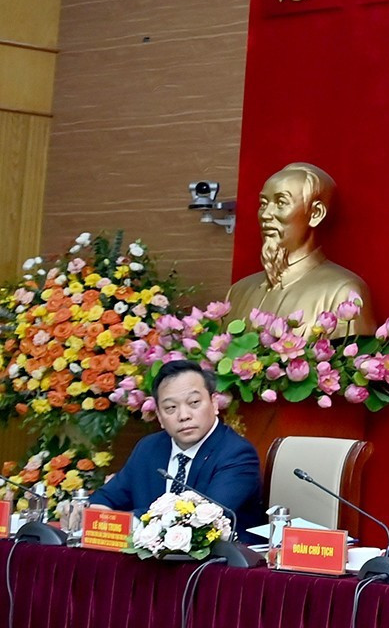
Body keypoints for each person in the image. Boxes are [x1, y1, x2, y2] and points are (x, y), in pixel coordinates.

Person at [91, 359, 265, 532]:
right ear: (159, 416)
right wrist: (99, 514)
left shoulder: (237, 454)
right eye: (171, 408)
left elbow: (203, 517)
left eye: (194, 403)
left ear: (214, 403)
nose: (183, 415)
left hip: (222, 557)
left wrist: (130, 522)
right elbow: (105, 498)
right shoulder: (148, 448)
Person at [227, 162, 374, 334]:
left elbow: (351, 356)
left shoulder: (343, 293)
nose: (266, 215)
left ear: (316, 213)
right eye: (263, 203)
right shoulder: (238, 292)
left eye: (281, 202)